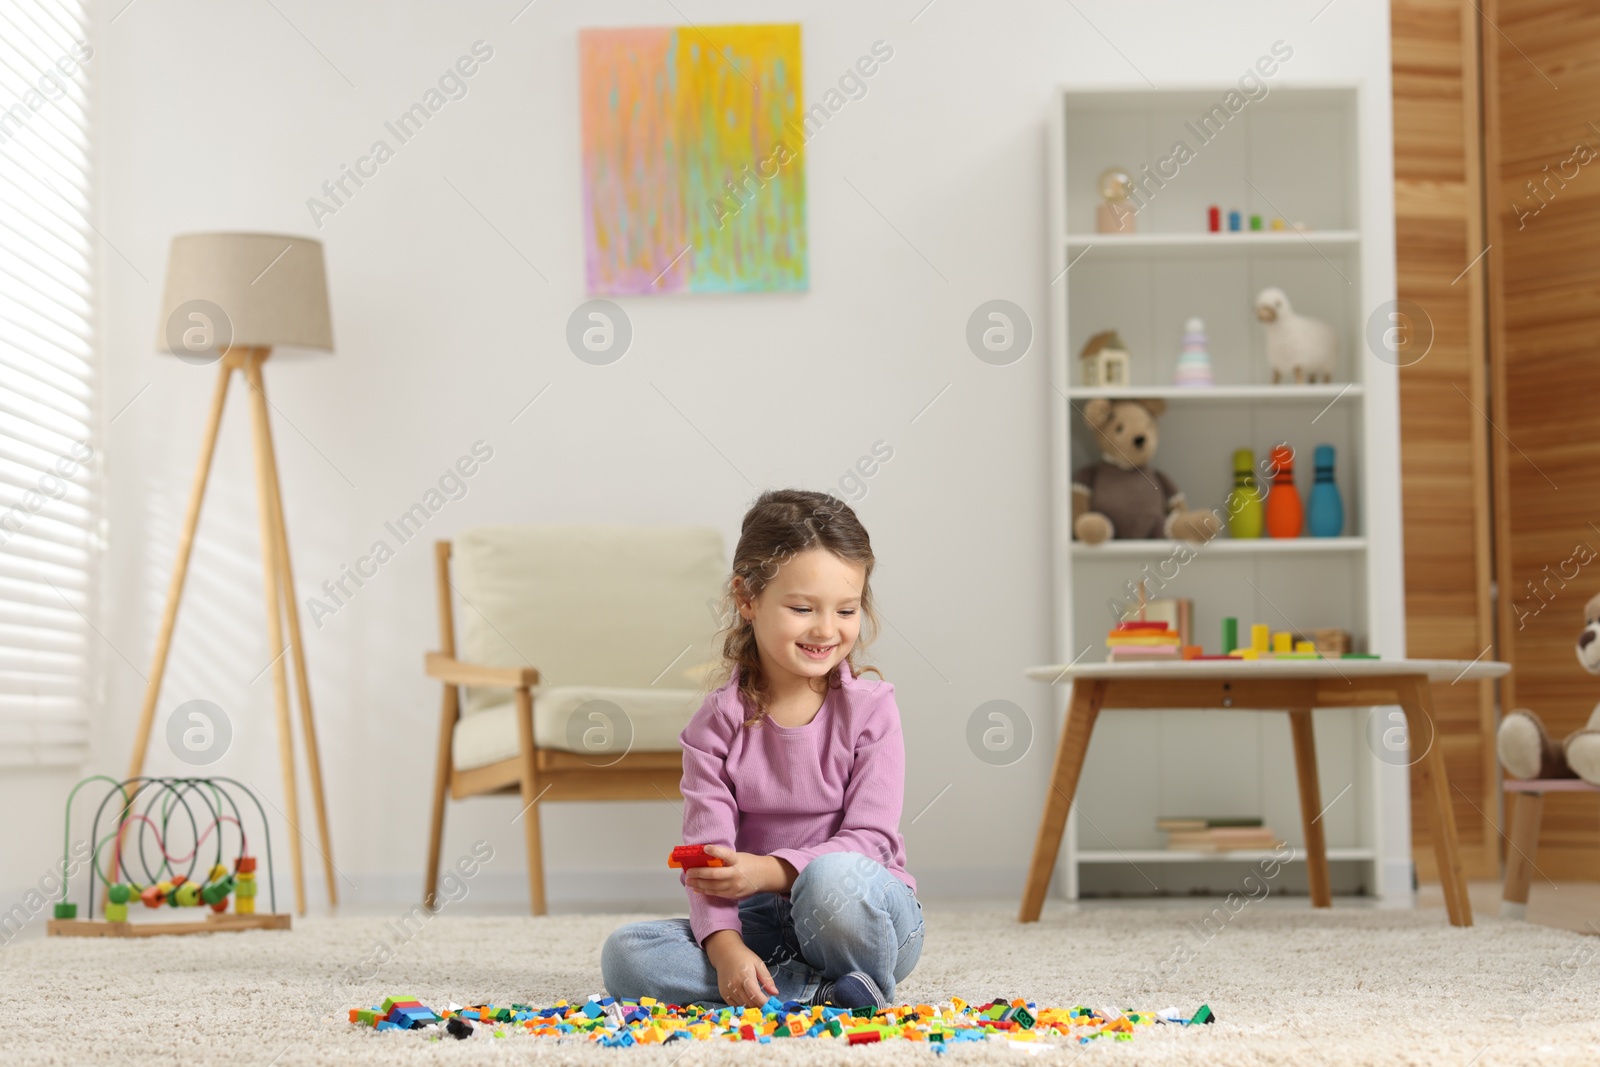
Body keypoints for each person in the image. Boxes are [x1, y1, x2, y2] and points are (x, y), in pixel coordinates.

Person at [601, 489, 922, 1009]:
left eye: (846, 609)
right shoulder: (714, 726)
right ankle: (820, 993)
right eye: (801, 608)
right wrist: (727, 951)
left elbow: (870, 841)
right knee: (627, 955)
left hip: (861, 916)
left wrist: (766, 870)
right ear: (747, 598)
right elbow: (707, 860)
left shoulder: (872, 710)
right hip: (762, 925)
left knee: (830, 877)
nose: (826, 629)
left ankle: (844, 977)